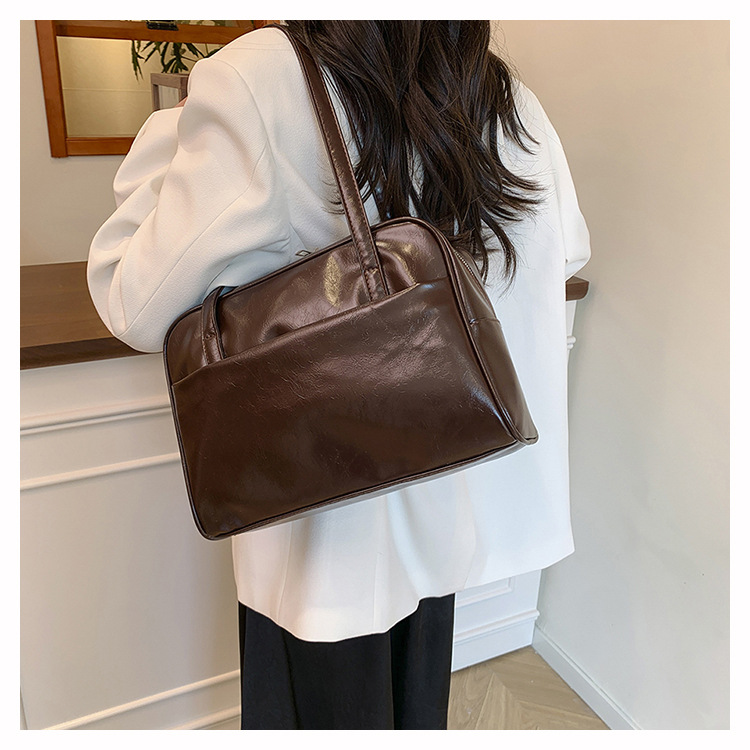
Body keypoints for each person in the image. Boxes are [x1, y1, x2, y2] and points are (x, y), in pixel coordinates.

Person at [87, 21, 590, 730]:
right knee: (416, 710)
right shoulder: (495, 89)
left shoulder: (261, 74)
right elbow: (566, 250)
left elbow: (133, 302)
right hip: (444, 481)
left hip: (319, 530)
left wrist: (175, 125)